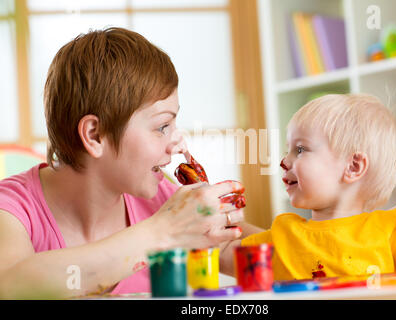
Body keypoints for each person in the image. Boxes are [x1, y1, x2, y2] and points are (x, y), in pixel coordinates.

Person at [0, 27, 257, 299]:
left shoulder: (160, 201)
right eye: (162, 126)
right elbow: (11, 285)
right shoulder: (13, 210)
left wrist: (305, 231)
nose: (179, 144)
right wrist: (163, 232)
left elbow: (243, 248)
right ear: (94, 135)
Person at [219, 93, 396, 280]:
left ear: (353, 166)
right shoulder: (283, 236)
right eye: (287, 149)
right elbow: (218, 254)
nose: (284, 161)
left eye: (300, 149)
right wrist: (200, 205)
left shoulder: (388, 231)